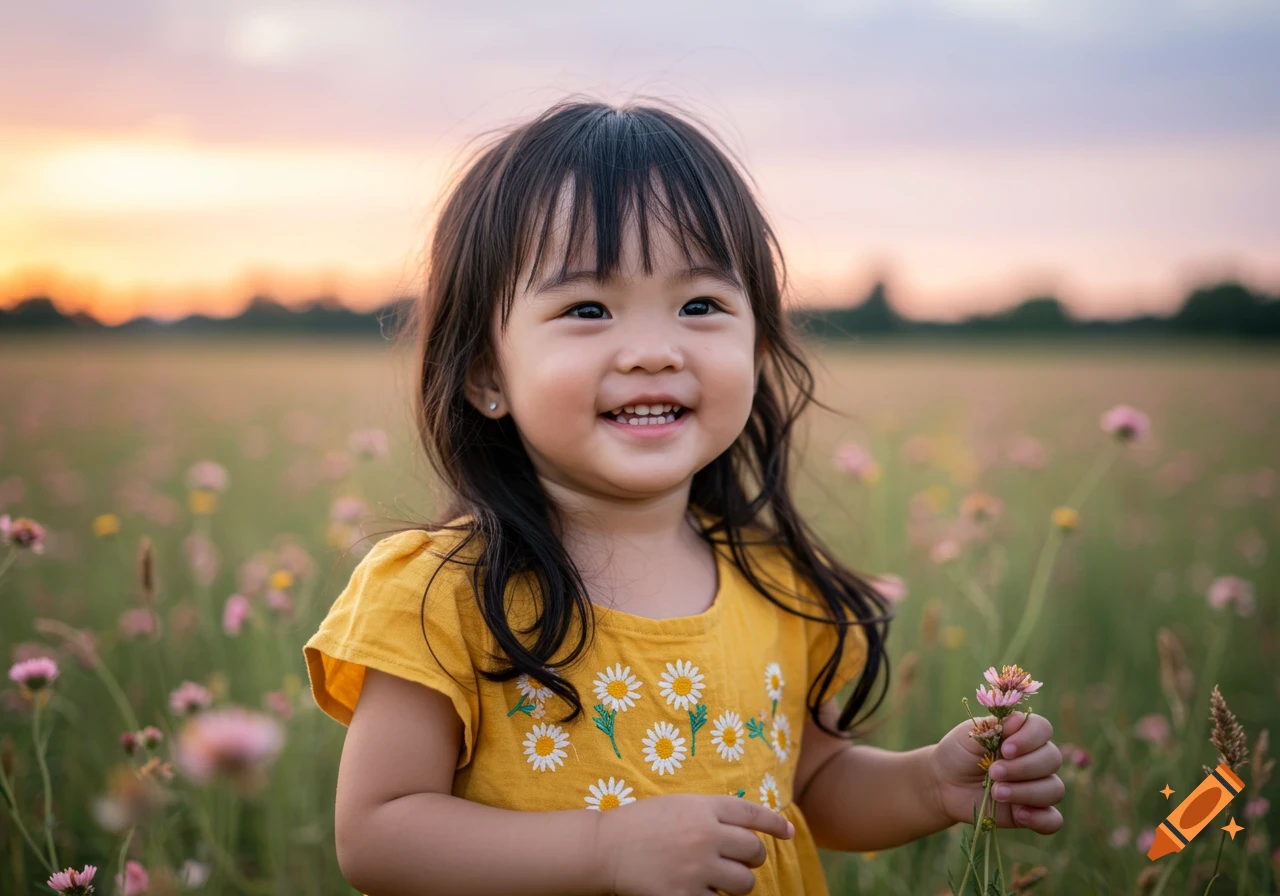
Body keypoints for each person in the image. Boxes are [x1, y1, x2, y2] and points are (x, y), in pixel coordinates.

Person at [303, 96, 1064, 896]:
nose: (654, 351)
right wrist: (602, 851)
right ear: (487, 374)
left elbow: (812, 786)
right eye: (587, 309)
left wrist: (927, 786)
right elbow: (378, 834)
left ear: (757, 345)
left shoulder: (775, 586)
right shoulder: (439, 594)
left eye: (700, 306)